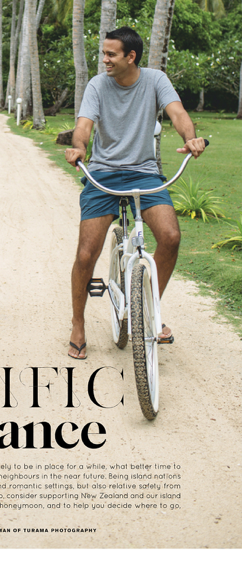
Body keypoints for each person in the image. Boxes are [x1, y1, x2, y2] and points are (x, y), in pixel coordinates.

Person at [65, 26, 206, 360]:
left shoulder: (156, 80)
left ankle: (148, 309)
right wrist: (78, 148)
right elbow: (84, 125)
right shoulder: (98, 84)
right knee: (87, 254)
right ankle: (77, 323)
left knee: (170, 236)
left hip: (144, 173)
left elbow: (178, 114)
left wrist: (191, 137)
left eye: (111, 54)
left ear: (131, 56)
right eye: (104, 53)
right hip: (102, 173)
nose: (105, 59)